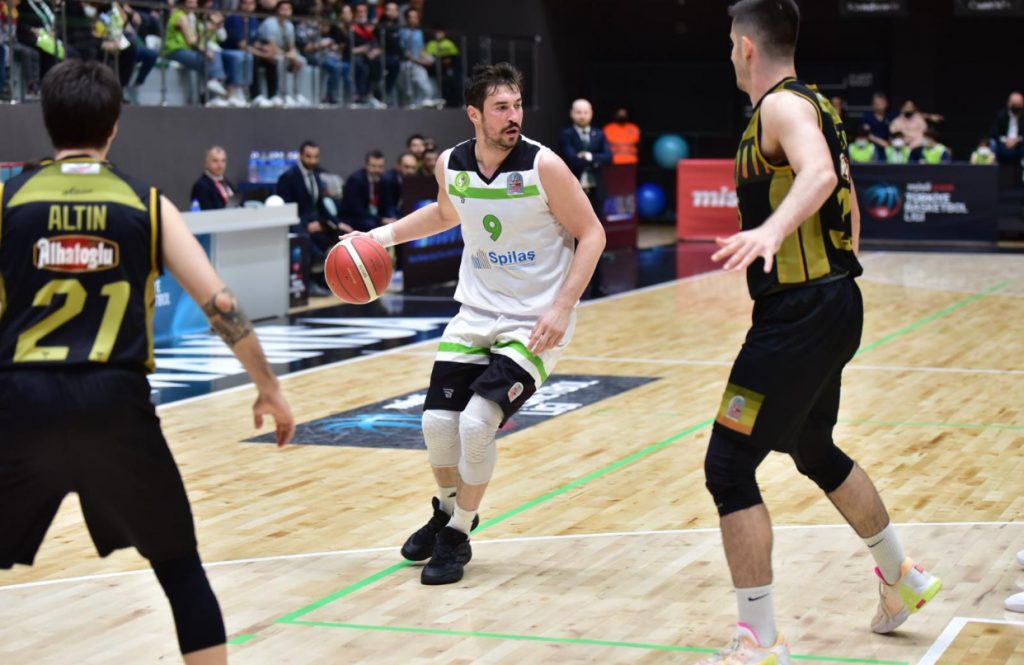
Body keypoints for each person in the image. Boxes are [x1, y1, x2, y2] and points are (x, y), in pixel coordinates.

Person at [0, 60, 295, 665]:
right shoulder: (148, 204)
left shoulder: (8, 201)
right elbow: (221, 303)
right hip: (115, 404)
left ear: (47, 122)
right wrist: (268, 386)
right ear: (115, 124)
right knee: (181, 569)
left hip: (22, 402)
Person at [700, 2, 942, 662]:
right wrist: (835, 281)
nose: (729, 53)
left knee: (728, 466)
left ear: (748, 47)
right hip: (830, 304)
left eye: (730, 43)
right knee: (813, 446)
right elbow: (849, 201)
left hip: (799, 314)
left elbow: (822, 175)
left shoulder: (781, 107)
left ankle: (759, 637)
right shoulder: (817, 106)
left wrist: (772, 232)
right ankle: (901, 576)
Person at [340, 62, 605, 586]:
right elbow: (445, 214)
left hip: (535, 319)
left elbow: (592, 233)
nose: (513, 116)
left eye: (517, 105)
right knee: (437, 424)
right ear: (474, 114)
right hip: (476, 311)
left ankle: (458, 532)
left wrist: (562, 306)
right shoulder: (452, 164)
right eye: (501, 107)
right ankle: (447, 508)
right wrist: (380, 238)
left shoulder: (543, 165)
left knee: (477, 424)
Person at [276, 140, 349, 280]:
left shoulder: (315, 176)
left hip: (316, 221)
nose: (312, 160)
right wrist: (307, 225)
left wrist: (337, 223)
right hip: (297, 224)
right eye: (308, 156)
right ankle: (317, 268)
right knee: (306, 239)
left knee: (342, 234)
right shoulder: (287, 178)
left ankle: (330, 276)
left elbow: (320, 204)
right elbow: (287, 210)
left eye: (316, 157)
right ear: (301, 156)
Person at [559, 98, 612, 215]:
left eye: (585, 112)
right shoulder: (566, 134)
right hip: (574, 187)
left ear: (591, 113)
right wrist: (597, 160)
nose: (582, 116)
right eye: (578, 112)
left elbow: (609, 157)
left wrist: (589, 156)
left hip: (597, 188)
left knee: (598, 219)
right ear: (571, 113)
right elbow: (572, 159)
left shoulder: (599, 134)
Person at [340, 149, 394, 231]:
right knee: (373, 225)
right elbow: (357, 210)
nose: (377, 170)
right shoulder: (356, 180)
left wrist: (391, 217)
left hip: (374, 216)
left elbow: (388, 203)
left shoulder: (384, 180)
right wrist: (381, 219)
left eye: (380, 167)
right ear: (366, 165)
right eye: (373, 166)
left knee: (397, 221)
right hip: (354, 218)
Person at [190, 146, 235, 210]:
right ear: (206, 163)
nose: (220, 165)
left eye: (223, 161)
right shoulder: (201, 186)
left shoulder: (226, 182)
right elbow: (207, 211)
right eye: (215, 161)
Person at [990, 92, 1024, 166]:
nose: (1017, 108)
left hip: (1020, 144)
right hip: (1004, 143)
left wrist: (1017, 140)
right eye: (1014, 105)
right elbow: (994, 133)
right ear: (1009, 104)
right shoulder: (1000, 116)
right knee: (996, 146)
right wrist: (1006, 141)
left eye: (1019, 105)